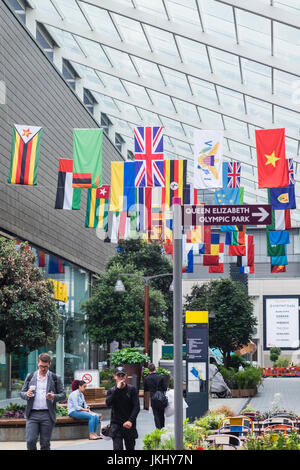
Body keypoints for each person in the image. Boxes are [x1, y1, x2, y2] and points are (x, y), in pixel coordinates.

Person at [20, 353, 66, 450]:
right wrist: (26, 394)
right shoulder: (30, 376)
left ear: (49, 364)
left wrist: (54, 396)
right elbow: (22, 393)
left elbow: (63, 395)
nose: (43, 369)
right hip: (32, 414)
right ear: (38, 363)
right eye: (41, 366)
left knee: (45, 444)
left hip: (47, 415)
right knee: (30, 441)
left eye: (45, 366)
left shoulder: (55, 378)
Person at [106, 366, 140, 450]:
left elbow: (136, 406)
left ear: (126, 376)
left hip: (129, 424)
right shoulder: (111, 390)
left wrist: (130, 420)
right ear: (115, 377)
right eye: (118, 376)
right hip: (116, 424)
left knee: (130, 447)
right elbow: (108, 403)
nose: (120, 378)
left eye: (122, 376)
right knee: (117, 448)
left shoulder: (132, 389)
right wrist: (117, 389)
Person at [144, 363, 167, 429]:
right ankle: (162, 427)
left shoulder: (147, 378)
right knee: (161, 414)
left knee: (156, 414)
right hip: (161, 398)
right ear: (155, 369)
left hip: (153, 398)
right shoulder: (161, 377)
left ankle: (158, 429)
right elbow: (165, 388)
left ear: (149, 370)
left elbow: (146, 389)